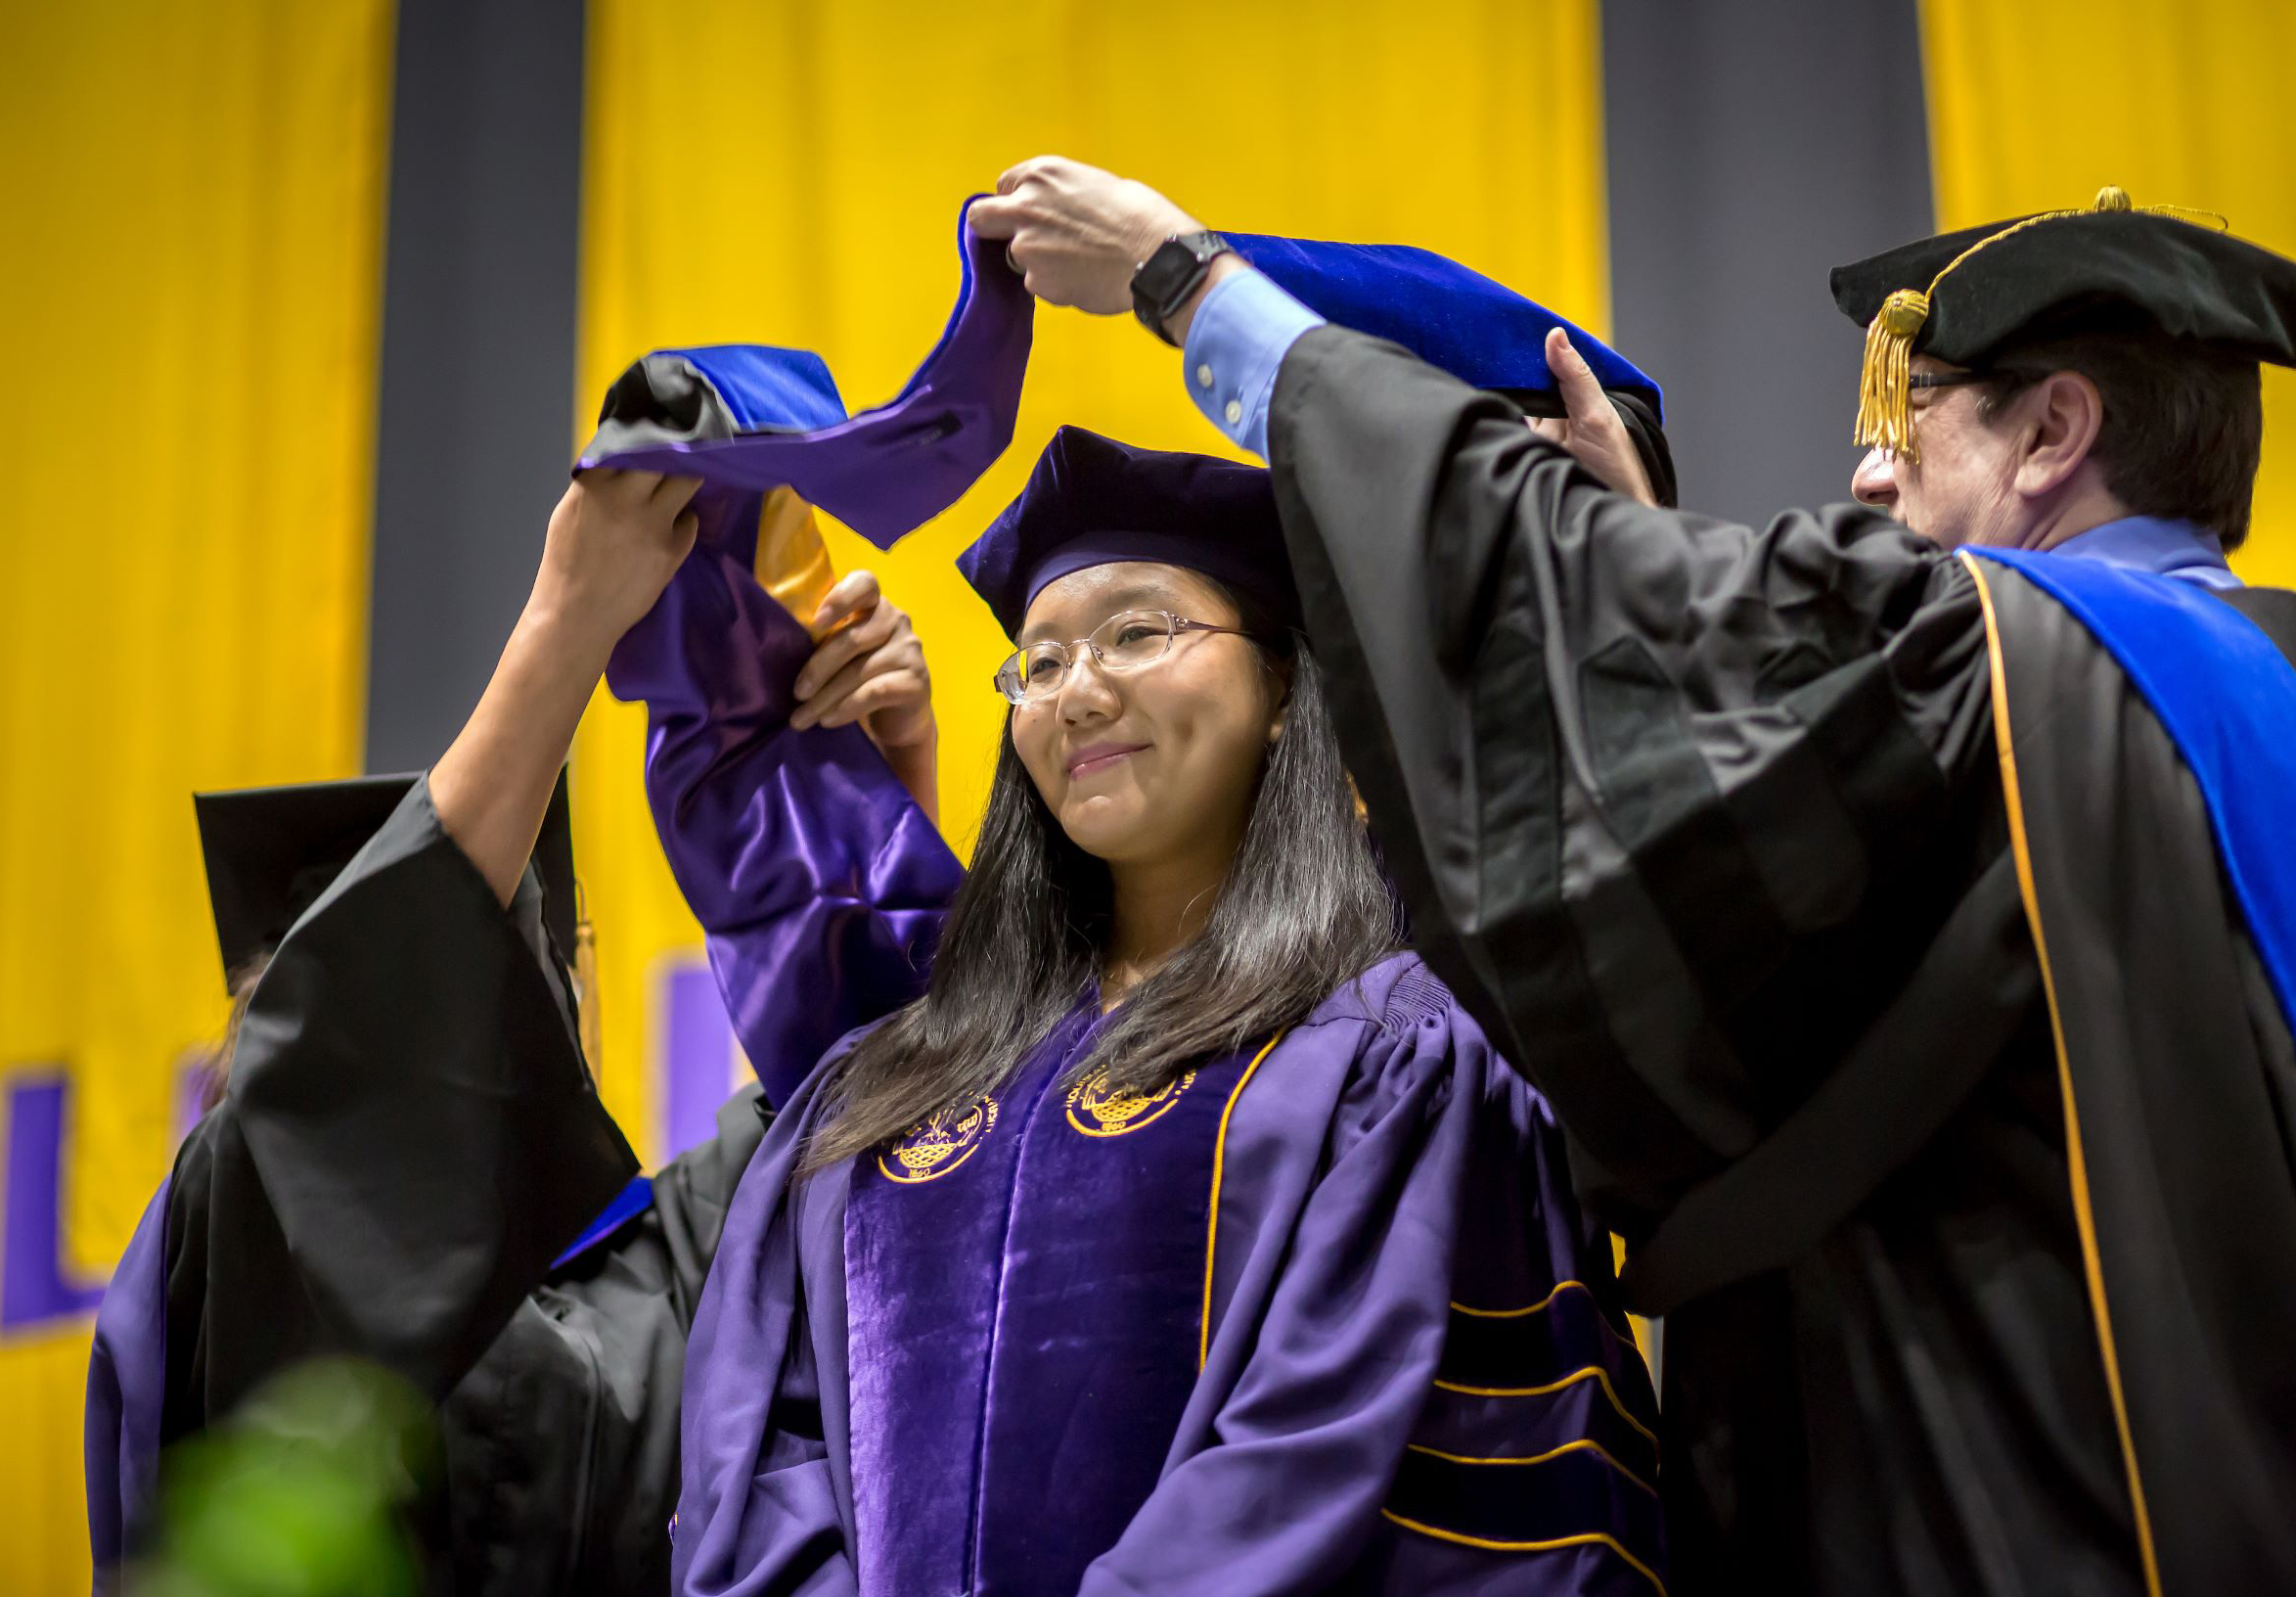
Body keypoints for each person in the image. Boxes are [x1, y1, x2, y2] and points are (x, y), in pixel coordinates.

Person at [968, 160, 2296, 1593]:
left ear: (2052, 431)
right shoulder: (2244, 683)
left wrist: (1195, 289)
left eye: (1906, 421)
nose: (1865, 472)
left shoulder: (1991, 659)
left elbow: (1578, 614)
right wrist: (1636, 554)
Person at [662, 424, 1663, 1597]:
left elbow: (1334, 1454)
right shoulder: (884, 1082)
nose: (1076, 692)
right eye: (1037, 663)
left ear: (1284, 689)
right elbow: (762, 1461)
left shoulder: (1386, 1054)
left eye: (1138, 632)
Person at [85, 461, 949, 1594]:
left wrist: (873, 793)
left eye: (549, 958)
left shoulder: (670, 1255)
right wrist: (572, 617)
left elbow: (862, 1103)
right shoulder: (239, 1232)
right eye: (478, 954)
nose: (521, 995)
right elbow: (337, 1104)